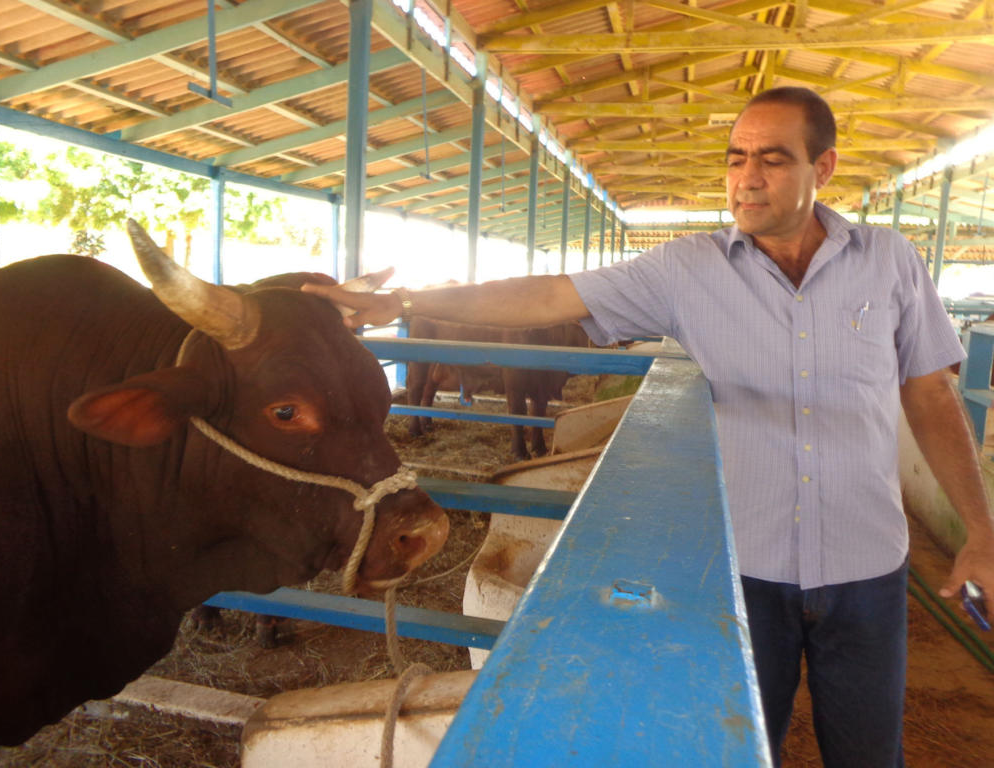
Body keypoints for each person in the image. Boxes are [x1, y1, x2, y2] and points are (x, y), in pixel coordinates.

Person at [303, 87, 994, 767]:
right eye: (736, 158)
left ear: (826, 167)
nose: (747, 178)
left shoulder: (890, 261)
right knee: (747, 746)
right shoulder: (686, 269)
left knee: (872, 752)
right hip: (743, 568)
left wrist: (980, 534)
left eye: (773, 159)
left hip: (868, 564)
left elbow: (931, 396)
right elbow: (550, 292)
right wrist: (403, 301)